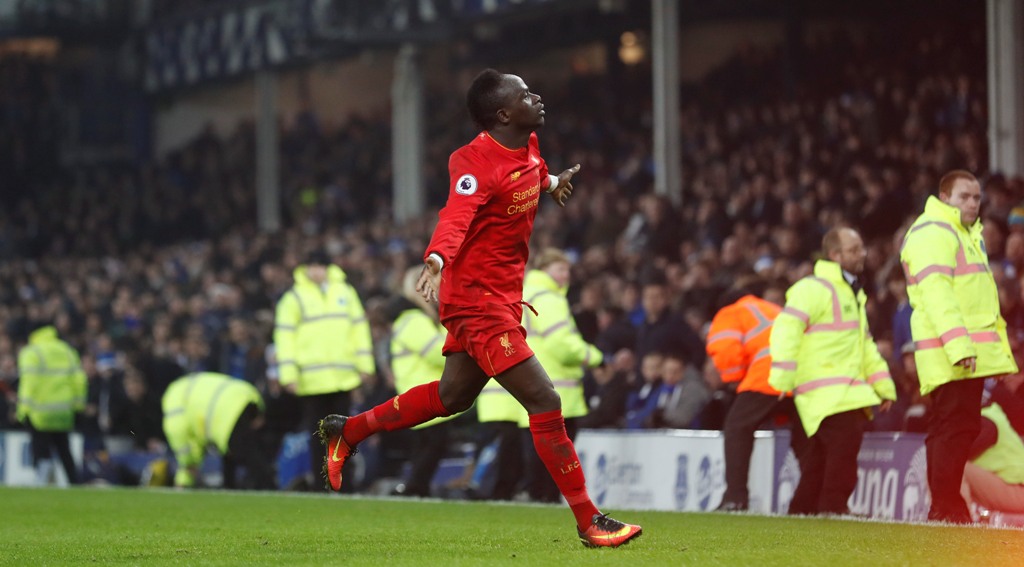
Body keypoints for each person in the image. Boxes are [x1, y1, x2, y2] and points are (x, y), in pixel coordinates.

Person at [318, 69, 641, 548]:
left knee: (454, 398)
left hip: (503, 297)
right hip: (475, 302)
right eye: (525, 94)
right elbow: (456, 214)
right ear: (503, 113)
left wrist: (552, 183)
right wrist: (434, 258)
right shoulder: (472, 163)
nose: (537, 96)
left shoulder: (529, 146)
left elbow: (529, 172)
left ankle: (349, 431)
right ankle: (589, 520)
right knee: (545, 400)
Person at [900, 170, 1018, 523]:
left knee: (953, 427)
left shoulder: (962, 234)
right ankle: (947, 506)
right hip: (954, 351)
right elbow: (938, 295)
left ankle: (944, 506)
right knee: (954, 427)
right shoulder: (935, 232)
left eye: (977, 197)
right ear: (945, 196)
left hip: (962, 351)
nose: (973, 203)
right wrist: (958, 345)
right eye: (964, 196)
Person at [768, 227, 897, 515]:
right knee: (840, 455)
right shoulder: (813, 289)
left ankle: (803, 511)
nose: (861, 253)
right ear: (835, 255)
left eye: (861, 248)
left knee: (819, 460)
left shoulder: (851, 293)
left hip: (836, 391)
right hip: (829, 391)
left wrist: (883, 386)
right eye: (853, 249)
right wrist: (782, 379)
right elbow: (785, 331)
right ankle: (833, 509)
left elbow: (865, 347)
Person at [274, 249, 375, 491]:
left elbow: (359, 330)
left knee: (345, 436)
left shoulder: (345, 292)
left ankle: (346, 484)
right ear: (305, 269)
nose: (316, 270)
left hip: (343, 378)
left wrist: (365, 366)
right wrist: (288, 375)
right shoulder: (294, 298)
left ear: (327, 267)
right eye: (312, 265)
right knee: (318, 437)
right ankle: (323, 486)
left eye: (320, 265)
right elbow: (284, 337)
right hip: (312, 381)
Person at [707, 279, 806, 512]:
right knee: (806, 440)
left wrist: (735, 380)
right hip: (801, 377)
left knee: (736, 428)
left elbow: (726, 351)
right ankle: (811, 500)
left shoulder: (731, 312)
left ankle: (735, 497)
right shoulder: (771, 309)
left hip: (768, 375)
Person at [517, 247, 604, 502]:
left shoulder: (525, 294)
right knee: (558, 451)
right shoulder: (549, 298)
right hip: (558, 387)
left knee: (538, 448)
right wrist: (595, 357)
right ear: (544, 271)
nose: (566, 275)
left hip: (531, 382)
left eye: (567, 269)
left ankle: (536, 498)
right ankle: (546, 499)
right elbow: (562, 345)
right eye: (560, 269)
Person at [388, 267, 462, 497]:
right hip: (425, 393)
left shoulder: (410, 319)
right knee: (432, 445)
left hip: (419, 391)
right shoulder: (413, 320)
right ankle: (415, 490)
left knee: (427, 447)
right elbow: (438, 352)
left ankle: (416, 489)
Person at [162, 371, 275, 489]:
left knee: (250, 458)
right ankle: (233, 488)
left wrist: (187, 463)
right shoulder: (189, 384)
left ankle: (270, 489)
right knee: (235, 456)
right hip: (247, 394)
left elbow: (177, 432)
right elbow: (197, 444)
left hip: (229, 414)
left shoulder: (172, 399)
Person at [16, 321, 87, 485]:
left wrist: (23, 410)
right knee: (64, 449)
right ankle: (75, 483)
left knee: (41, 448)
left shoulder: (31, 352)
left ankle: (41, 483)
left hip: (40, 411)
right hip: (64, 410)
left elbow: (29, 383)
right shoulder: (67, 351)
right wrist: (78, 407)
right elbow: (79, 381)